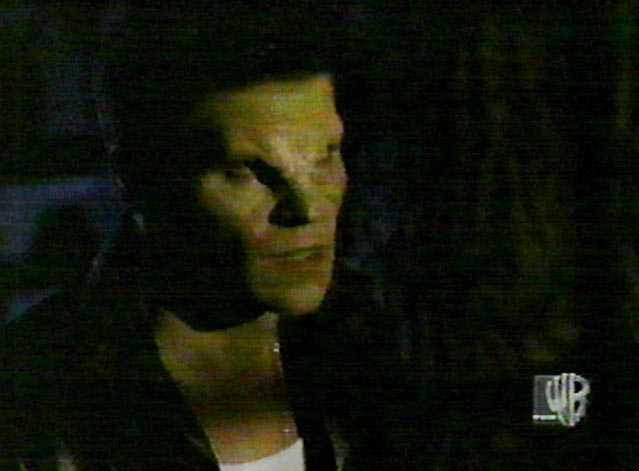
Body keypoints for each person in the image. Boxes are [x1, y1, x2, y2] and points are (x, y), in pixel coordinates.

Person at [0, 3, 418, 470]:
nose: (307, 209)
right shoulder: (34, 398)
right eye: (247, 171)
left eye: (325, 156)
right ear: (139, 176)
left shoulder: (389, 350)